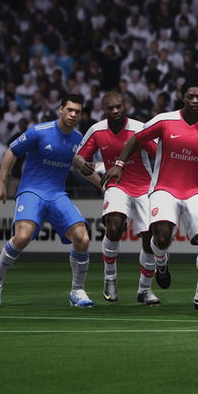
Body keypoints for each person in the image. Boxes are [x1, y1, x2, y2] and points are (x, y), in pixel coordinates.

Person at [105, 84, 198, 314]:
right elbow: (136, 139)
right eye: (190, 96)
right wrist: (120, 164)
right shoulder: (164, 120)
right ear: (182, 97)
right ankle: (161, 262)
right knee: (161, 238)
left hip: (192, 192)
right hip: (163, 188)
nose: (195, 100)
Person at [0, 94, 97, 308]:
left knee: (82, 238)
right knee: (22, 237)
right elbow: (11, 152)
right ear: (61, 109)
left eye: (77, 111)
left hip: (57, 194)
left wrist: (104, 186)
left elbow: (82, 166)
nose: (73, 114)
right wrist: (0, 183)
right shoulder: (38, 131)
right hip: (31, 191)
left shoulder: (78, 139)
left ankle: (77, 291)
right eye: (70, 109)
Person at [73, 92, 161, 306]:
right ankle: (110, 278)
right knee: (114, 225)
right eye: (110, 108)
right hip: (116, 185)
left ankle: (145, 289)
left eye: (118, 107)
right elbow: (78, 157)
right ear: (103, 110)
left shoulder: (139, 128)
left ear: (124, 106)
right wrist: (82, 163)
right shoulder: (97, 130)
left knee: (150, 238)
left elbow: (160, 153)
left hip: (144, 186)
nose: (115, 111)